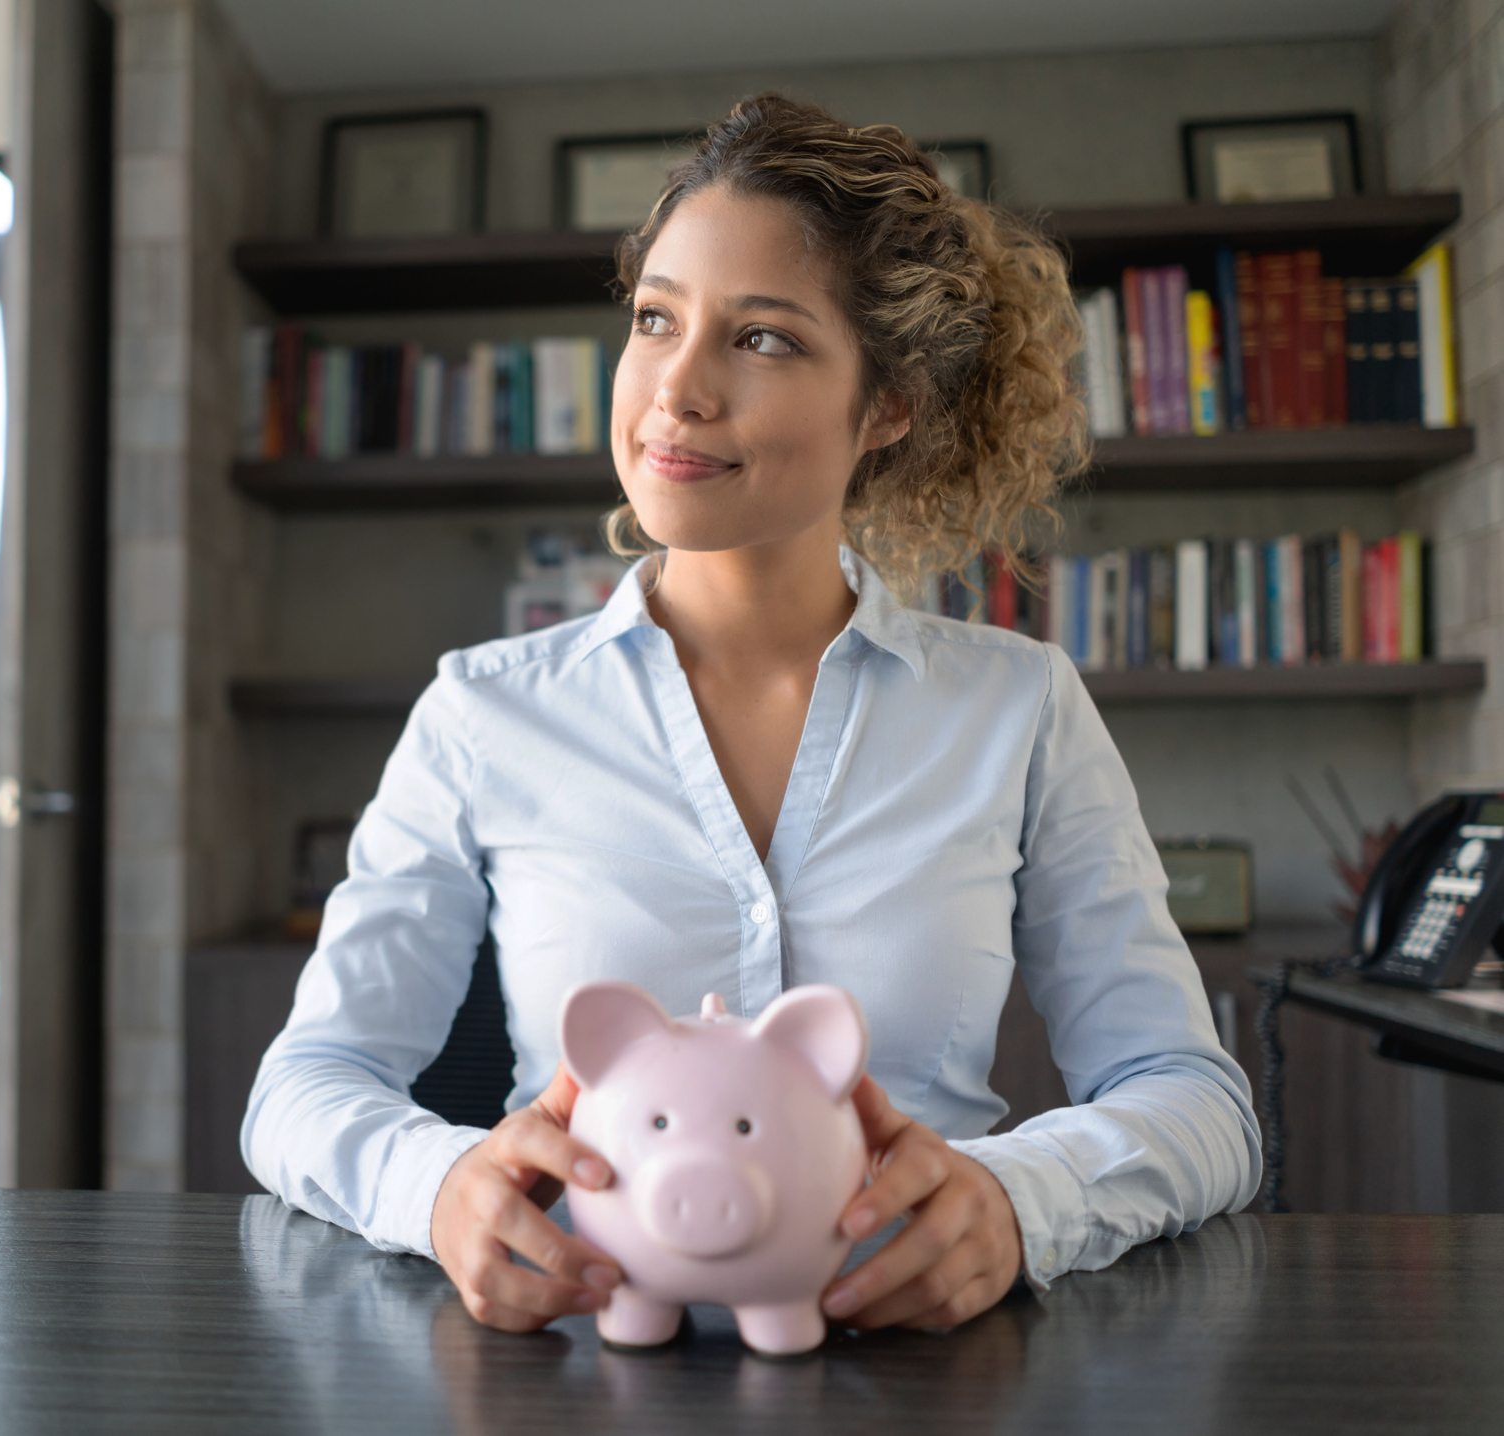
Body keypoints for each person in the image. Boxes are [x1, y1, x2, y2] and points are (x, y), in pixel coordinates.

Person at [242, 93, 1261, 1337]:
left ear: (884, 406)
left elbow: (1193, 1098)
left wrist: (1015, 1200)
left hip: (925, 1374)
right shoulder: (482, 713)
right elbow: (305, 1083)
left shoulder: (1018, 707)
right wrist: (438, 1183)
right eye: (655, 319)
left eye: (762, 340)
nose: (675, 389)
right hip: (569, 1365)